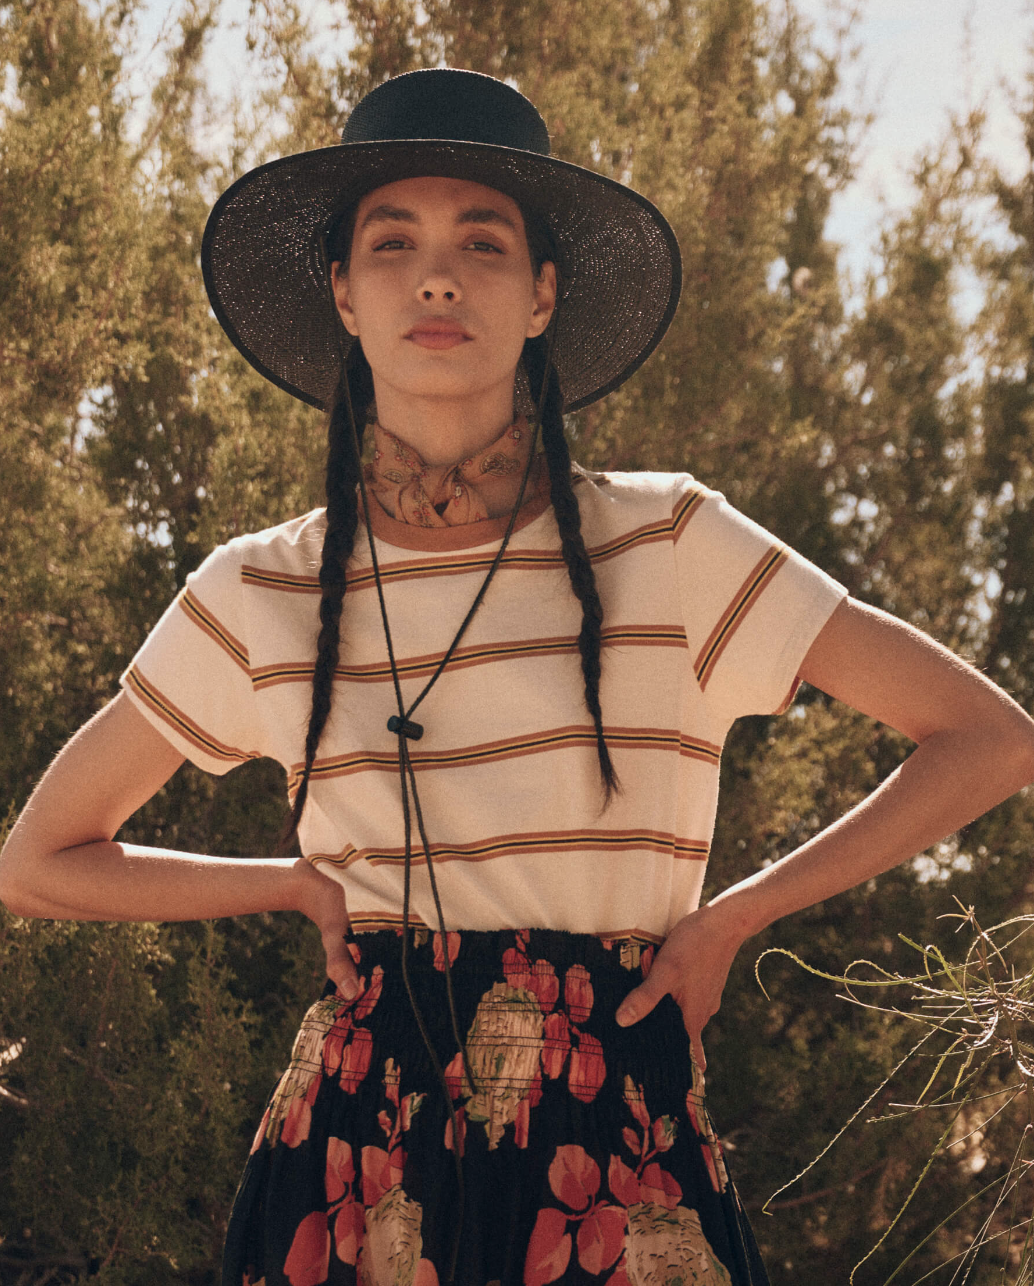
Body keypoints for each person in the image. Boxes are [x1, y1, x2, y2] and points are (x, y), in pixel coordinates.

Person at [2, 67, 1033, 1286]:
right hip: (351, 1151)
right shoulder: (258, 585)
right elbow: (37, 861)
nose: (435, 274)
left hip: (613, 1134)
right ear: (341, 290)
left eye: (481, 241)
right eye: (392, 241)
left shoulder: (669, 542)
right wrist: (283, 886)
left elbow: (986, 736)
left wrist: (731, 922)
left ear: (543, 292)